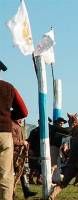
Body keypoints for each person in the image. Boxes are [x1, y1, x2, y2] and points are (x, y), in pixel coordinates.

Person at [0, 61, 29, 199]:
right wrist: (8, 115)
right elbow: (24, 111)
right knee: (6, 174)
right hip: (5, 134)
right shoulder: (9, 87)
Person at [12, 119, 36, 198]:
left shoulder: (19, 126)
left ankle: (26, 191)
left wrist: (26, 144)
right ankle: (12, 193)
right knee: (12, 175)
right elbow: (12, 141)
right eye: (20, 117)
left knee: (22, 172)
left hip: (19, 154)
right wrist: (23, 142)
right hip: (13, 154)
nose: (21, 119)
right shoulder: (12, 126)